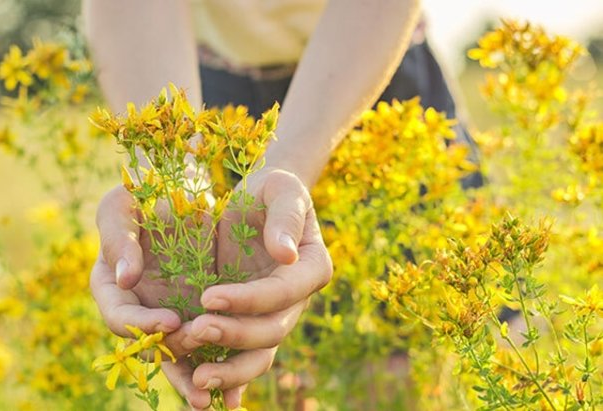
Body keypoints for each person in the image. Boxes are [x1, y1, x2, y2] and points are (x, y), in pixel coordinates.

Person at [83, 1, 473, 409]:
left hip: (372, 72)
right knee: (244, 377)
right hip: (199, 85)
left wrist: (288, 166)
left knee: (401, 381)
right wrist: (170, 181)